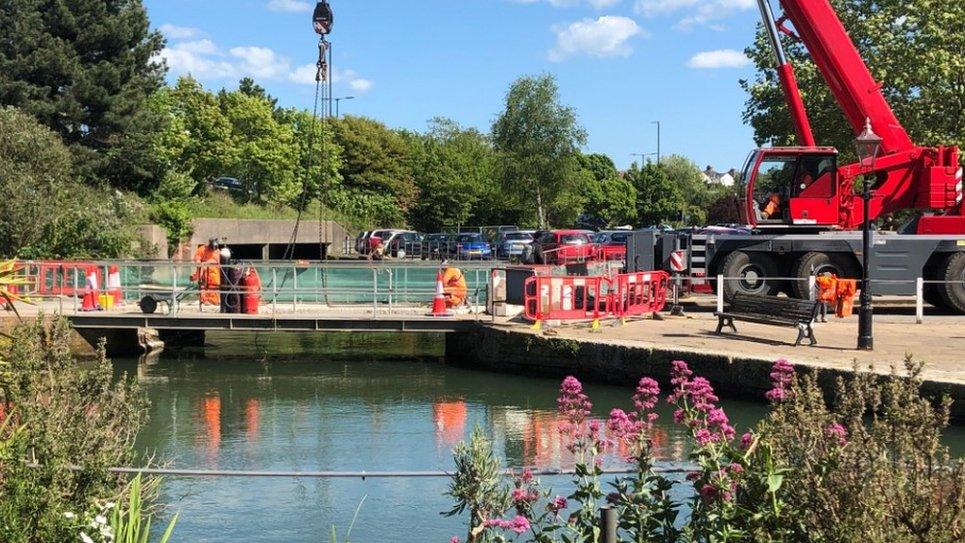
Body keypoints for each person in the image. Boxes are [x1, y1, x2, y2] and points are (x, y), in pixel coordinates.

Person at [191, 238, 221, 306]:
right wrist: (200, 263)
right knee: (203, 285)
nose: (213, 249)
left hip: (214, 272)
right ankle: (204, 300)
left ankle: (214, 300)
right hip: (204, 271)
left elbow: (218, 262)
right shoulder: (202, 249)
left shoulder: (217, 252)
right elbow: (197, 258)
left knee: (215, 285)